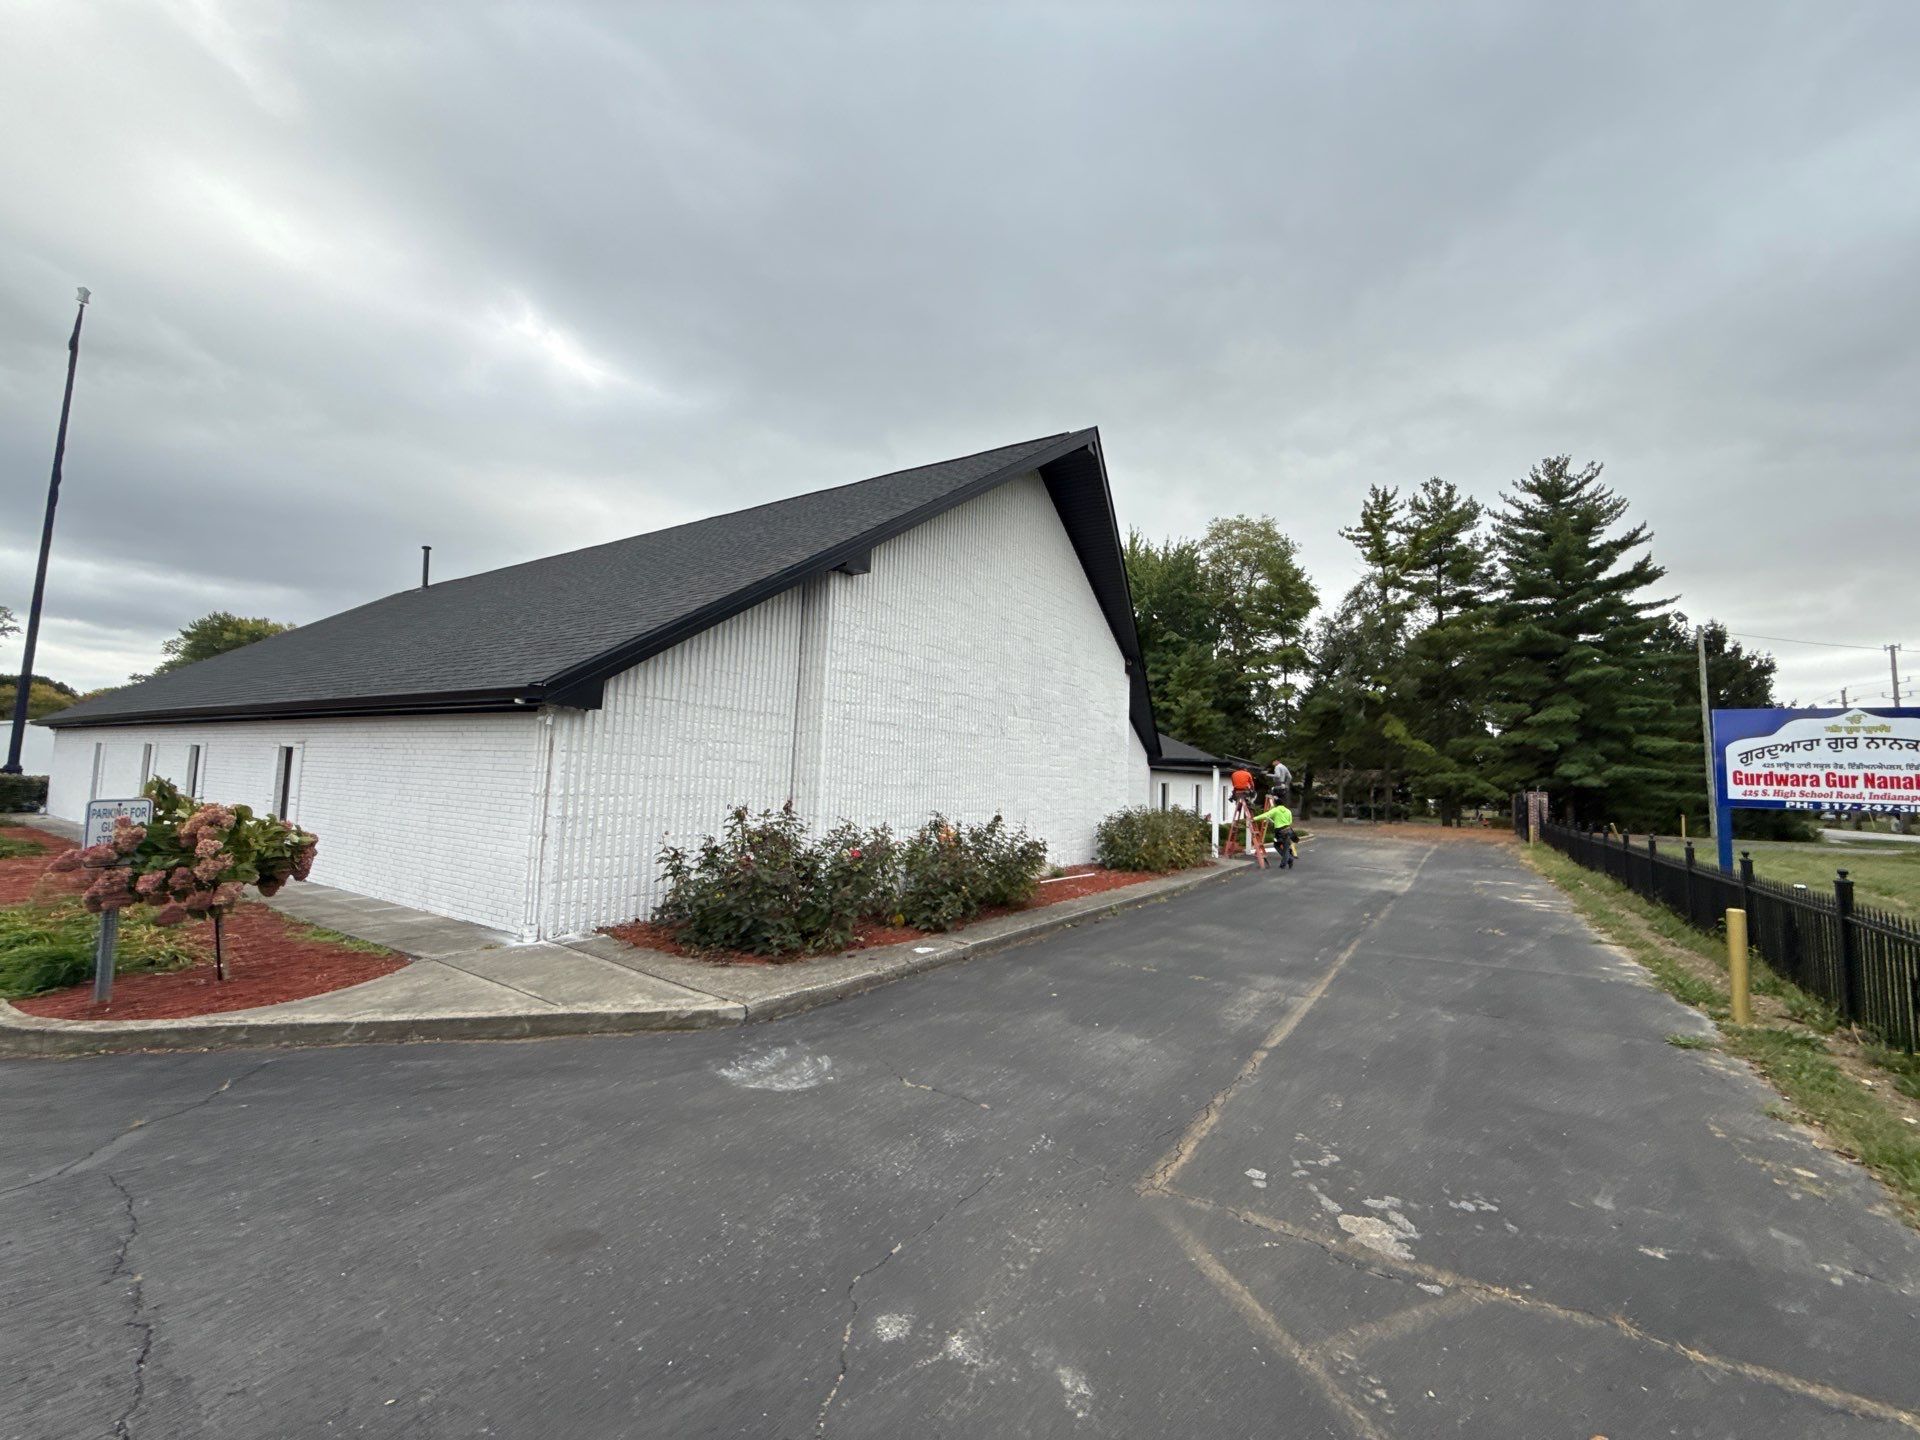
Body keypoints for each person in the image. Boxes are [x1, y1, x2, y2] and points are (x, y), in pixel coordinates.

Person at [1253, 797, 1295, 868]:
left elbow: (1266, 815)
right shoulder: (1288, 811)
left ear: (1276, 804)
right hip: (1288, 830)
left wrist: (1254, 818)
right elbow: (1290, 822)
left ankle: (1285, 862)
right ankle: (1288, 859)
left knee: (1276, 845)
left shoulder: (1275, 810)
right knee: (1286, 847)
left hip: (1279, 831)